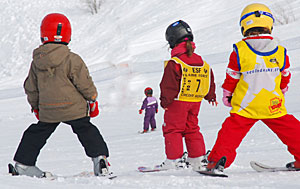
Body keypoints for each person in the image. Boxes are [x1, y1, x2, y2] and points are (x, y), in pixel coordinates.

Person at [12, 13, 110, 178]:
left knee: (36, 133)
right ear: (67, 34)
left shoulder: (37, 62)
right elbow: (83, 83)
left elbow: (31, 87)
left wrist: (36, 107)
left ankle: (23, 164)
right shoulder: (72, 58)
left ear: (43, 34)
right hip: (73, 108)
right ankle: (100, 160)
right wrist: (92, 98)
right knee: (86, 130)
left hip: (48, 109)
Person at [205, 3, 300, 174]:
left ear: (244, 25)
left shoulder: (240, 50)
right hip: (273, 103)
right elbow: (285, 75)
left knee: (230, 132)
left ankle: (217, 161)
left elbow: (232, 77)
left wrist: (228, 94)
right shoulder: (280, 51)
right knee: (292, 129)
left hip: (246, 105)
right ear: (269, 24)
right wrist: (282, 89)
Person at [159, 20, 217, 171]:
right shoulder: (201, 61)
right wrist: (210, 95)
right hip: (195, 101)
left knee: (173, 129)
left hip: (178, 102)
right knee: (192, 128)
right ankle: (197, 158)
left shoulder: (175, 62)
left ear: (172, 41)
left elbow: (168, 85)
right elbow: (209, 78)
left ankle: (174, 160)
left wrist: (165, 101)